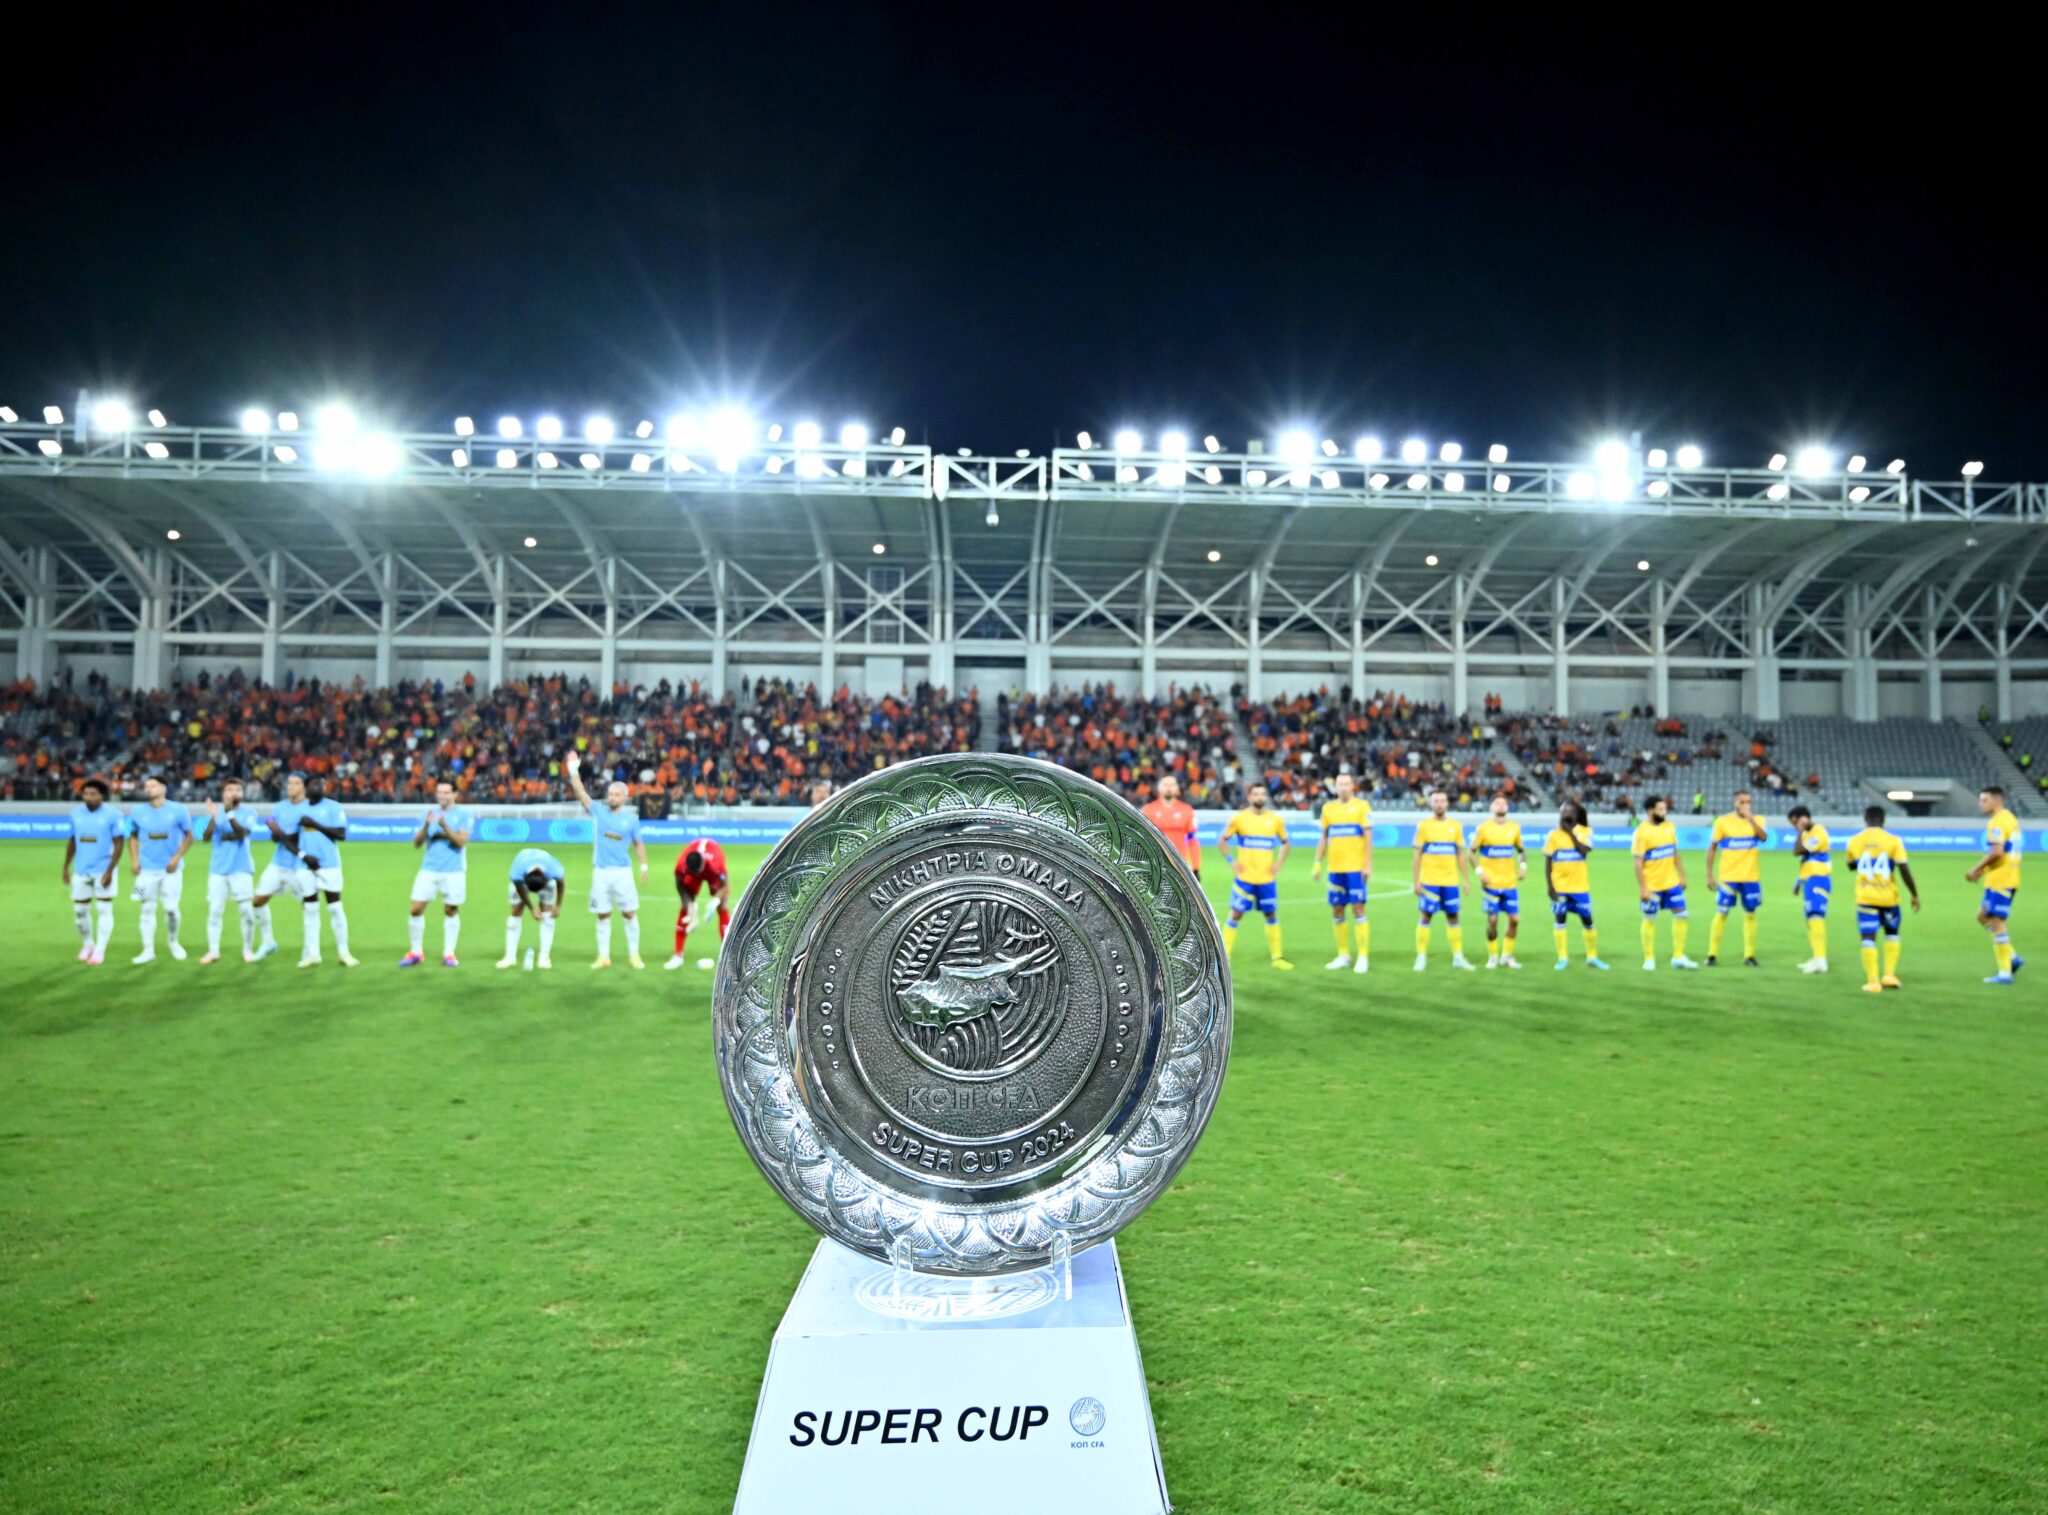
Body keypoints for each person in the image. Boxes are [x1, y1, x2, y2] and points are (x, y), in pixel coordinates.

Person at [565, 749, 649, 969]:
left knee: (629, 914)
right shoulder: (599, 812)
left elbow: (638, 843)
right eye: (610, 794)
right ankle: (604, 957)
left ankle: (634, 955)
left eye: (616, 795)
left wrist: (643, 866)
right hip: (601, 872)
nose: (612, 797)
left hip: (623, 873)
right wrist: (573, 770)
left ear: (624, 797)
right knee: (602, 915)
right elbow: (581, 794)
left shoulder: (631, 820)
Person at [1846, 805, 1920, 993]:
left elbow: (1851, 865)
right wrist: (1914, 894)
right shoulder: (1893, 841)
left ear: (1865, 819)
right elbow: (1904, 870)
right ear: (1883, 820)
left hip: (1865, 897)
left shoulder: (1854, 841)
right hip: (1889, 898)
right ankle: (1889, 975)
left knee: (1868, 938)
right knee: (1892, 933)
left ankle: (1873, 982)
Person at [1219, 782, 1293, 970]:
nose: (1259, 797)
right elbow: (1222, 841)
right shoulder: (1239, 818)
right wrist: (1231, 860)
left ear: (1266, 797)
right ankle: (1224, 958)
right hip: (1245, 878)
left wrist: (1278, 864)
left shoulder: (1275, 820)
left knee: (1270, 913)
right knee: (1236, 914)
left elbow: (1286, 842)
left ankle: (1277, 958)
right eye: (1256, 794)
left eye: (1262, 794)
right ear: (1249, 797)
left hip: (1266, 879)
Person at [402, 779, 475, 967]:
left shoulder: (464, 814)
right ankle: (416, 952)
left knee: (450, 910)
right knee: (416, 909)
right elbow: (416, 843)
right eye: (439, 792)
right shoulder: (428, 814)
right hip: (429, 869)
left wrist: (444, 827)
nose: (442, 795)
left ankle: (449, 953)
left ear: (455, 794)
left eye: (446, 792)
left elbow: (461, 842)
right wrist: (426, 826)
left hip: (454, 870)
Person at [125, 776, 194, 963]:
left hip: (171, 870)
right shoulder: (137, 812)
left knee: (171, 908)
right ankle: (148, 950)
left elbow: (189, 836)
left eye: (153, 785)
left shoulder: (178, 810)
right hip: (145, 872)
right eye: (146, 786)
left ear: (164, 788)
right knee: (145, 907)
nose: (149, 789)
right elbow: (132, 837)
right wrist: (134, 860)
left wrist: (177, 858)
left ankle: (173, 942)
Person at [1309, 771, 1371, 973]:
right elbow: (1324, 837)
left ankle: (1363, 956)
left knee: (1358, 909)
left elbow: (1368, 838)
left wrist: (1367, 865)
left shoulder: (1362, 807)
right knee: (1337, 910)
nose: (1343, 787)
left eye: (1346, 783)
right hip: (1335, 869)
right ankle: (1343, 955)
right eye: (1340, 784)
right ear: (1335, 787)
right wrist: (1317, 862)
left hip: (1355, 869)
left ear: (1352, 786)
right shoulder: (1328, 809)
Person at [291, 775, 356, 967]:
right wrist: (303, 856)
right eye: (315, 784)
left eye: (322, 784)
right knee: (310, 909)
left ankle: (344, 953)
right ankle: (313, 954)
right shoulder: (299, 809)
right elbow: (292, 839)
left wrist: (314, 824)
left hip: (329, 864)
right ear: (306, 787)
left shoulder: (334, 807)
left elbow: (341, 834)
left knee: (335, 908)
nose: (320, 786)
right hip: (305, 866)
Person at [61, 776, 124, 965]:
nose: (89, 797)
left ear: (102, 795)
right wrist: (66, 866)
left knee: (104, 909)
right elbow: (73, 841)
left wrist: (110, 870)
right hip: (81, 870)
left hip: (102, 870)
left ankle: (100, 950)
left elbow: (119, 843)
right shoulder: (75, 814)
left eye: (93, 794)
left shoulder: (114, 815)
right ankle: (88, 944)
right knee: (80, 911)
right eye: (86, 793)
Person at [1632, 794, 1698, 970]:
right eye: (1660, 809)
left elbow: (1674, 852)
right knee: (1649, 918)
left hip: (1672, 883)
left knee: (1682, 915)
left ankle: (1678, 956)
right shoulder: (1641, 832)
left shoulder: (1669, 827)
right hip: (1652, 886)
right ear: (1650, 811)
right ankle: (1649, 958)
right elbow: (1637, 863)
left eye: (1665, 809)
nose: (1664, 812)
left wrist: (1682, 876)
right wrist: (1643, 888)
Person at [1966, 785, 2025, 984]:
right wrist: (1982, 872)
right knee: (1982, 916)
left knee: (1997, 923)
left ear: (1996, 800)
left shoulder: (1997, 822)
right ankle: (2012, 957)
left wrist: (1976, 869)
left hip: (2001, 879)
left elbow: (1997, 852)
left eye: (1985, 800)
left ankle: (2005, 973)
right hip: (2008, 876)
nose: (1981, 804)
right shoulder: (2010, 818)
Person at [1412, 788, 1475, 971]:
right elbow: (1417, 855)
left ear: (1447, 804)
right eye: (1436, 801)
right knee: (1426, 916)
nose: (1439, 804)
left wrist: (1466, 879)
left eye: (1442, 801)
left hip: (1450, 881)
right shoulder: (1424, 826)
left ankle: (1458, 957)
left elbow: (1460, 854)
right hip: (1429, 881)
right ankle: (1421, 957)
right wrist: (1416, 880)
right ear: (1431, 804)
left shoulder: (1455, 826)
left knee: (1453, 916)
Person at [254, 772, 314, 961]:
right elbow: (276, 839)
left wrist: (278, 832)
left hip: (300, 866)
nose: (291, 787)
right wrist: (273, 832)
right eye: (289, 783)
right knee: (257, 901)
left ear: (304, 787)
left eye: (296, 783)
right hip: (278, 863)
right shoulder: (279, 807)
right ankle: (268, 942)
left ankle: (309, 948)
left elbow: (298, 838)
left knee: (308, 906)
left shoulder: (310, 808)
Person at [1705, 790, 1769, 967]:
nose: (1745, 805)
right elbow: (1712, 849)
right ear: (1735, 803)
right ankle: (1712, 954)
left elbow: (1763, 838)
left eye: (1748, 802)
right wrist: (1709, 875)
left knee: (1750, 914)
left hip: (1750, 877)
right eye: (1742, 802)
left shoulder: (1758, 820)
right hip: (1728, 877)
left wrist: (1751, 819)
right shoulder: (1722, 821)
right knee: (1722, 912)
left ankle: (1749, 955)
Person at [1543, 800, 1608, 970]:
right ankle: (1562, 958)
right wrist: (1550, 887)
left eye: (1568, 810)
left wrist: (1571, 833)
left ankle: (1592, 957)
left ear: (1575, 813)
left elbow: (1584, 851)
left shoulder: (1585, 831)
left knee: (1587, 920)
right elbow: (1548, 863)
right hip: (1560, 887)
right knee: (1560, 919)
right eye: (1562, 810)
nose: (1565, 813)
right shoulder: (1553, 835)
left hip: (1579, 887)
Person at [199, 780, 258, 964]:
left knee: (247, 911)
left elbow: (242, 833)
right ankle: (213, 951)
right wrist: (213, 817)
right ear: (223, 793)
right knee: (215, 910)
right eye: (230, 789)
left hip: (241, 868)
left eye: (238, 789)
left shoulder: (250, 813)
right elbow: (206, 838)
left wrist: (229, 813)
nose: (234, 793)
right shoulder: (216, 813)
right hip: (218, 869)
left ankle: (247, 949)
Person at [1472, 794, 1526, 969]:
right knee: (1493, 920)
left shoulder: (1514, 828)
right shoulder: (1483, 828)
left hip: (1509, 883)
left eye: (1504, 803)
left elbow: (1521, 851)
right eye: (1497, 803)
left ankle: (1507, 956)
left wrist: (1523, 866)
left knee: (1514, 920)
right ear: (1491, 808)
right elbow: (1470, 852)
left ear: (1507, 808)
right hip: (1491, 884)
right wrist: (1479, 872)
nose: (1501, 805)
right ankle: (1493, 956)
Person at [665, 837, 731, 970]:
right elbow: (680, 886)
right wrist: (690, 907)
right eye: (692, 873)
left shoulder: (716, 865)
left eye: (697, 872)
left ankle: (729, 956)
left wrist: (715, 901)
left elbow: (724, 886)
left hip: (711, 867)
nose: (696, 874)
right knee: (685, 908)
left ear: (703, 864)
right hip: (694, 867)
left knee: (722, 906)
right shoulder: (681, 866)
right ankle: (678, 956)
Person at [498, 847, 568, 968]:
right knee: (516, 911)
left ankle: (544, 957)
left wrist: (558, 906)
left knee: (547, 913)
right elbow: (520, 889)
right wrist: (532, 908)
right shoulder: (517, 874)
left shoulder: (555, 870)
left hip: (545, 877)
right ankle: (510, 957)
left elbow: (561, 884)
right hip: (523, 877)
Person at [1787, 804, 1832, 973]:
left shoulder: (1819, 832)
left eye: (1795, 823)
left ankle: (1821, 961)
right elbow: (1805, 859)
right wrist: (1799, 881)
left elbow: (1798, 851)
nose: (1795, 827)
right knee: (1810, 920)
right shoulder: (1808, 834)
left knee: (1815, 917)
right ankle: (1817, 957)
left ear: (1804, 818)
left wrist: (1800, 830)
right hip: (1810, 880)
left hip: (1819, 879)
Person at [1141, 774, 1201, 878]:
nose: (1168, 788)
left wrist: (1196, 867)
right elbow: (1142, 839)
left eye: (1172, 784)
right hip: (1155, 865)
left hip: (1179, 865)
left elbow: (1193, 840)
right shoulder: (1148, 810)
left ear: (1178, 789)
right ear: (1159, 788)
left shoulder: (1187, 810)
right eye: (1165, 784)